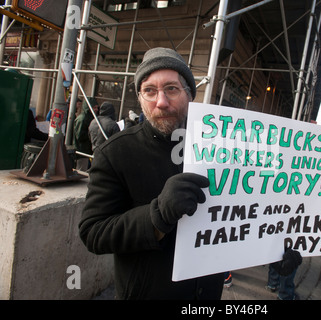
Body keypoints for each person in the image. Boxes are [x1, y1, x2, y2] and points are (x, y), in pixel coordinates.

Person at [78, 47, 223, 300]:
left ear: (189, 95)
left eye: (172, 89)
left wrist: (273, 250)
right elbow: (93, 232)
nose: (161, 102)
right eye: (150, 91)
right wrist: (156, 216)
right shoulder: (115, 153)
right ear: (140, 97)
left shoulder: (219, 150)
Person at [73, 97, 98, 170]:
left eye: (97, 107)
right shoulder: (83, 118)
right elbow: (79, 136)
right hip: (81, 151)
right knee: (81, 170)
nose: (96, 109)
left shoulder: (89, 118)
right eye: (94, 107)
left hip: (86, 151)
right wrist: (92, 134)